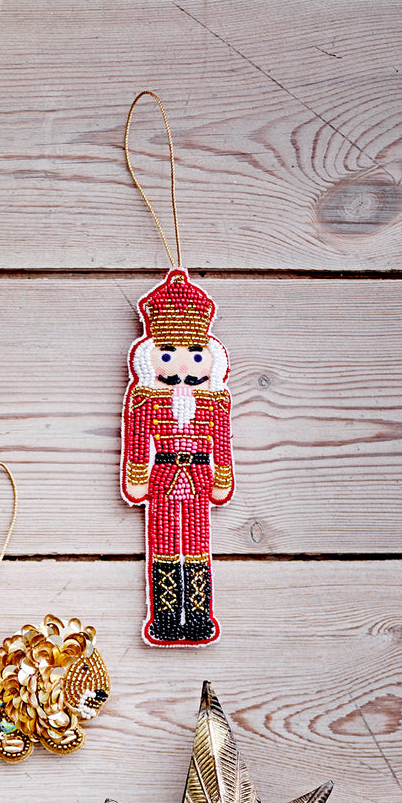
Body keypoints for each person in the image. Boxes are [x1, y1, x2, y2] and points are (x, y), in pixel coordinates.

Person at [122, 269, 233, 646]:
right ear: (151, 357)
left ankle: (198, 616)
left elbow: (222, 445)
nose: (182, 367)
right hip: (164, 479)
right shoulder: (144, 401)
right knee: (166, 545)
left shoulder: (216, 403)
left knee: (198, 546)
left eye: (194, 355)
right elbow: (138, 442)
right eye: (168, 355)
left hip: (200, 478)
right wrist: (137, 477)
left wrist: (221, 480)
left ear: (209, 357)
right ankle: (167, 618)